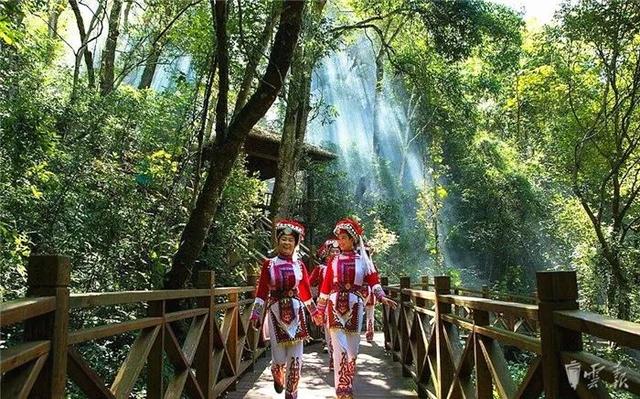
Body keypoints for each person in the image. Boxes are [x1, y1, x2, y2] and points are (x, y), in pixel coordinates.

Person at [313, 217, 397, 399]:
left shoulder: (364, 261)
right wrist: (319, 310)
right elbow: (325, 288)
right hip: (334, 304)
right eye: (339, 238)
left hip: (356, 306)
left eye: (344, 238)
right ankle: (342, 388)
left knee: (352, 350)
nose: (340, 241)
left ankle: (348, 376)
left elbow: (374, 282)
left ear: (353, 239)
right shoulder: (333, 261)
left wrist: (382, 297)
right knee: (339, 348)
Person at [250, 219, 315, 399]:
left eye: (290, 240)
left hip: (296, 313)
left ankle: (291, 393)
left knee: (296, 361)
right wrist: (256, 314)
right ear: (278, 241)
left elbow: (306, 293)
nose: (287, 243)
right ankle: (276, 370)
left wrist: (315, 313)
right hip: (276, 313)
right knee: (279, 358)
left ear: (296, 243)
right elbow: (262, 292)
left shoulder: (299, 265)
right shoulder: (269, 264)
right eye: (283, 239)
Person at [309, 238, 340, 369]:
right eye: (332, 251)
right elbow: (309, 282)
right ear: (327, 253)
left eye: (337, 251)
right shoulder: (321, 269)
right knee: (329, 328)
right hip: (325, 302)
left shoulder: (345, 265)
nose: (335, 253)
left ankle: (343, 358)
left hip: (342, 300)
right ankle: (333, 357)